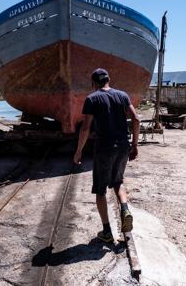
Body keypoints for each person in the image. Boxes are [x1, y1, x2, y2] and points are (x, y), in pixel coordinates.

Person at [73, 68, 140, 243]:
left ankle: (107, 232)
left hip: (104, 148)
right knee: (118, 181)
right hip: (123, 146)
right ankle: (125, 209)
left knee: (101, 190)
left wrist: (79, 151)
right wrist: (134, 144)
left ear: (93, 83)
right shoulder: (123, 95)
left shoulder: (91, 99)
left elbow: (86, 128)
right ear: (109, 80)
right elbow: (136, 119)